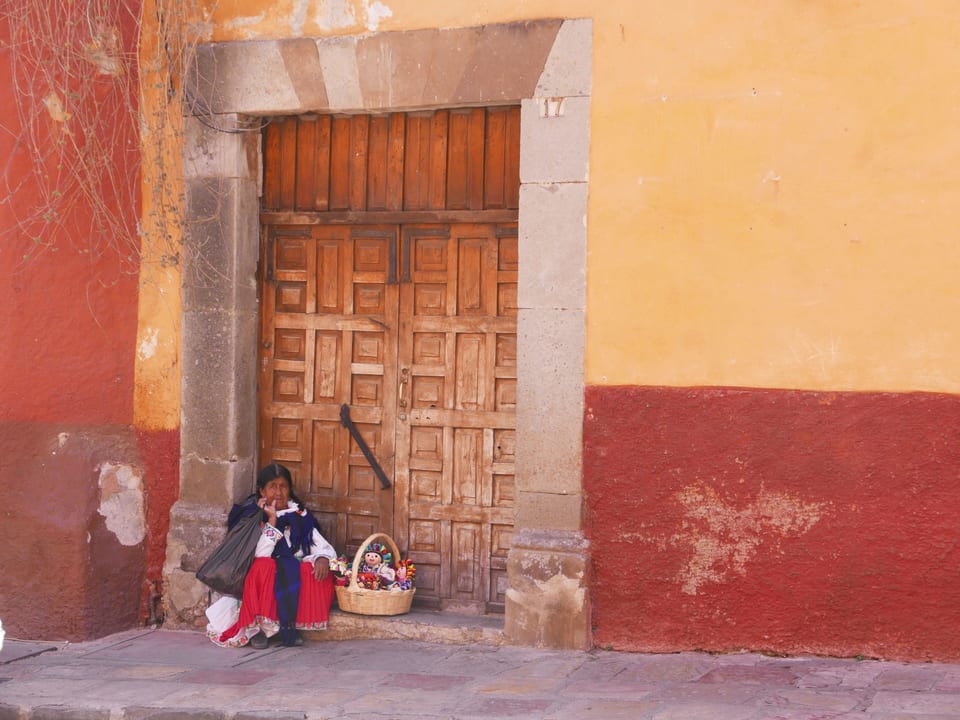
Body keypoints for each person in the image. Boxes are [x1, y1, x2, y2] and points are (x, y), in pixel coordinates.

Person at [205, 463, 337, 648]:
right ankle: (258, 628)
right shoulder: (253, 515)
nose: (278, 492)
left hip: (288, 569)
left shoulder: (299, 515)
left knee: (314, 569)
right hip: (260, 572)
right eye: (272, 487)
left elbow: (320, 546)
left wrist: (322, 558)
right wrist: (272, 520)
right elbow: (261, 553)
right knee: (265, 567)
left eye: (283, 486)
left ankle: (290, 626)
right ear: (262, 491)